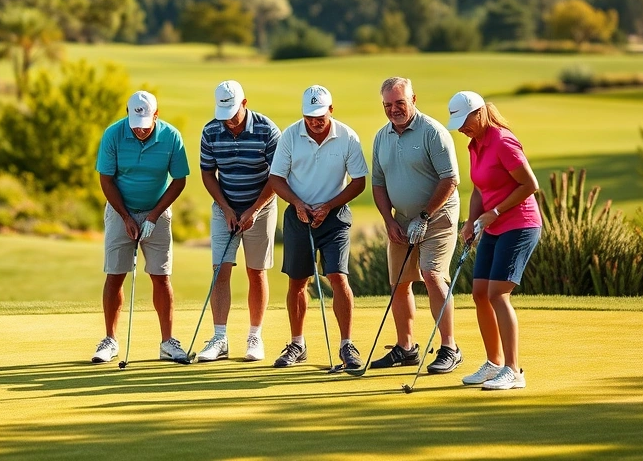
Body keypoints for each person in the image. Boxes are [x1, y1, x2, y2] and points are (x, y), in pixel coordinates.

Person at [268, 85, 369, 369]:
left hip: (334, 218)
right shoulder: (290, 135)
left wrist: (329, 206)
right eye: (309, 116)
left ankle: (347, 345)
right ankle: (297, 344)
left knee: (337, 276)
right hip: (298, 217)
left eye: (320, 116)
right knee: (298, 281)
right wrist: (298, 204)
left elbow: (359, 181)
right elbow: (276, 179)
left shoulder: (347, 136)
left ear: (331, 111)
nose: (314, 121)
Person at [446, 91, 541, 390]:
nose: (461, 128)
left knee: (498, 293)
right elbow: (479, 189)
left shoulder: (502, 141)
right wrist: (470, 222)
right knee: (479, 293)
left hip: (520, 224)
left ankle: (514, 371)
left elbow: (530, 185)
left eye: (464, 121)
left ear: (479, 113)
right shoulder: (475, 145)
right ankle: (493, 363)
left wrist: (495, 212)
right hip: (492, 225)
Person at [370, 77, 463, 373]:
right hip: (400, 221)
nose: (393, 109)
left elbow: (450, 179)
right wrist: (389, 221)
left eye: (399, 103)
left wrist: (423, 216)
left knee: (432, 275)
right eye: (387, 105)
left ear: (413, 99)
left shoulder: (432, 132)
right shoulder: (381, 137)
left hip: (437, 218)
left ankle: (449, 347)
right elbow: (378, 184)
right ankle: (406, 348)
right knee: (398, 282)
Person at [91, 91, 191, 364]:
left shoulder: (171, 137)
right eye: (136, 123)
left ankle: (168, 343)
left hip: (156, 212)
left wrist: (153, 216)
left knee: (161, 276)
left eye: (146, 124)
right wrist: (125, 217)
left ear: (156, 116)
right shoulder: (113, 135)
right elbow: (106, 180)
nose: (140, 129)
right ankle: (110, 340)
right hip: (119, 209)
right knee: (115, 274)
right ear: (128, 113)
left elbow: (179, 180)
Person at [196, 80, 282, 362]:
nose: (229, 122)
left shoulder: (267, 130)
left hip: (263, 205)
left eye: (233, 114)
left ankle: (254, 336)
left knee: (256, 271)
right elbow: (208, 173)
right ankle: (219, 339)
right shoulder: (210, 131)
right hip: (225, 207)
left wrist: (254, 210)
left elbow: (277, 177)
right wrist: (225, 208)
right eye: (224, 115)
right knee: (220, 269)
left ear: (245, 103)